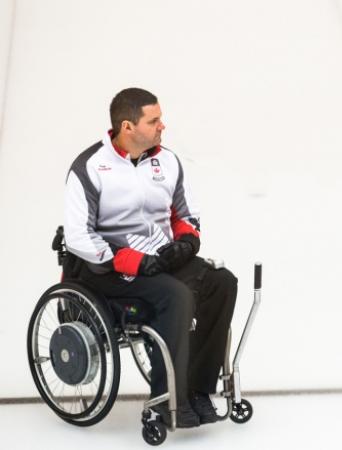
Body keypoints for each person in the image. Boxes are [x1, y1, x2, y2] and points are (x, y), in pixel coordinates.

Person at [63, 88, 238, 427]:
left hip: (161, 260)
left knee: (222, 282)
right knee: (175, 295)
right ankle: (167, 401)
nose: (163, 126)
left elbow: (186, 214)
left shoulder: (167, 161)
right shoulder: (90, 167)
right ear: (127, 126)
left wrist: (187, 242)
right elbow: (78, 237)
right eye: (154, 120)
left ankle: (198, 390)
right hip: (108, 270)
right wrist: (131, 260)